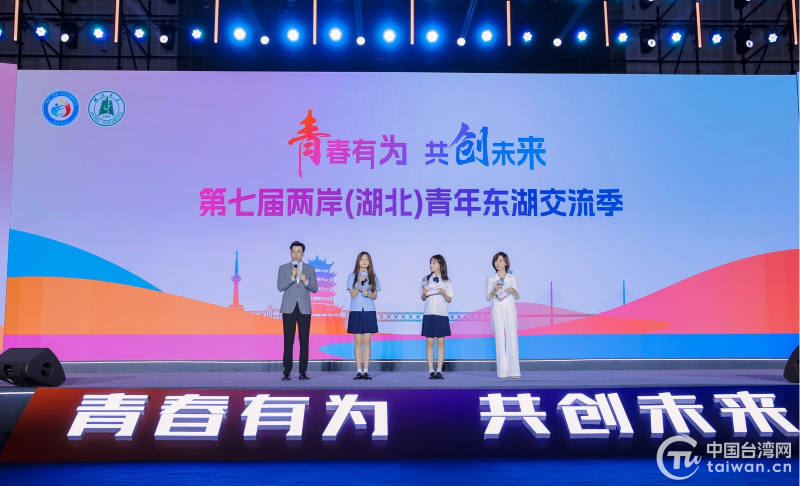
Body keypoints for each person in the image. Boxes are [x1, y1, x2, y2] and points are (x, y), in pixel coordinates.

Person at [276, 241, 318, 381]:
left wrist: (306, 281)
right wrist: (291, 278)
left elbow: (315, 288)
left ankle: (303, 372)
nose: (295, 254)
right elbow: (280, 287)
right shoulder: (283, 268)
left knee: (304, 341)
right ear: (290, 253)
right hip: (289, 308)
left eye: (298, 252)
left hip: (304, 309)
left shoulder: (310, 269)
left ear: (303, 254)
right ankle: (287, 371)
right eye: (293, 251)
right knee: (288, 341)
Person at [346, 251, 381, 380]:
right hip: (356, 311)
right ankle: (358, 371)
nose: (364, 261)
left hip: (369, 311)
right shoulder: (352, 277)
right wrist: (359, 284)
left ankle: (366, 371)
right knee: (358, 341)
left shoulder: (373, 277)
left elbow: (375, 296)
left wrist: (368, 294)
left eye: (367, 259)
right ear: (358, 261)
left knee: (367, 341)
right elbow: (353, 294)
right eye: (362, 259)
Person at [486, 251, 520, 379]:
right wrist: (494, 289)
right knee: (499, 338)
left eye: (500, 260)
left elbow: (517, 296)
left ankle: (514, 371)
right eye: (496, 261)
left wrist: (513, 290)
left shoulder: (512, 278)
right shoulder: (491, 279)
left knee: (512, 337)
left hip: (509, 309)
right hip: (497, 308)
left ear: (506, 262)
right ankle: (502, 372)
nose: (498, 263)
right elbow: (488, 297)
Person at [420, 254, 453, 380]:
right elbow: (423, 297)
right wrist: (424, 294)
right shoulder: (425, 279)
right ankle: (431, 371)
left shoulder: (446, 281)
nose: (431, 265)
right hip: (429, 313)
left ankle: (439, 370)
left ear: (440, 265)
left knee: (440, 342)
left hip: (441, 313)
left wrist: (444, 293)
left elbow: (449, 299)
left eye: (434, 263)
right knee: (429, 342)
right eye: (430, 263)